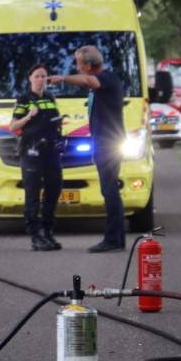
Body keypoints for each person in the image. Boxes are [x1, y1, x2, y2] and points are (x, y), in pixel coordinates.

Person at [50, 45, 125, 252]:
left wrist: (63, 78)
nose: (77, 67)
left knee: (110, 191)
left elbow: (88, 81)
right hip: (105, 142)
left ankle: (112, 240)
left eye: (79, 64)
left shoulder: (106, 79)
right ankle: (117, 239)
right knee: (109, 191)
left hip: (108, 143)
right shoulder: (104, 79)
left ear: (90, 65)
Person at [11, 64, 63, 251]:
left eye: (44, 76)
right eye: (38, 76)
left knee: (54, 190)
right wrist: (27, 117)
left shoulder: (50, 98)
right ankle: (35, 236)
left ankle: (47, 232)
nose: (41, 79)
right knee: (33, 195)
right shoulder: (24, 99)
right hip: (31, 152)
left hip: (50, 152)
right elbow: (13, 126)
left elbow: (54, 121)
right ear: (30, 78)